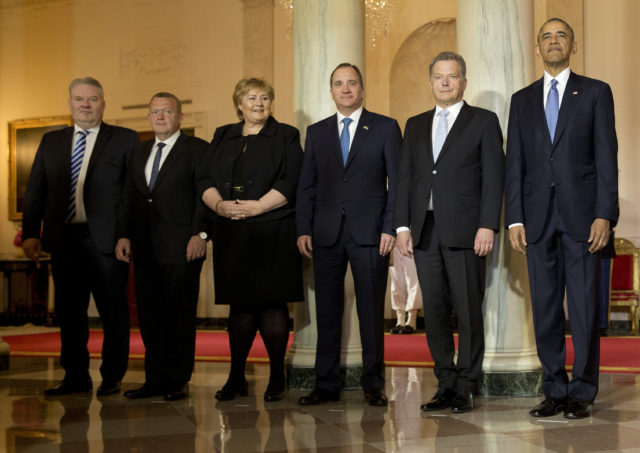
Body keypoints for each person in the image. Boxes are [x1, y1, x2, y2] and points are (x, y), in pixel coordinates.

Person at [505, 18, 618, 419]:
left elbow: (606, 158)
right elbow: (514, 163)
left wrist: (605, 214)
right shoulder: (521, 100)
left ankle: (582, 392)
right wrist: (514, 218)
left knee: (585, 309)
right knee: (546, 308)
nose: (554, 42)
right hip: (536, 220)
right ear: (538, 49)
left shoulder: (595, 93)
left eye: (561, 36)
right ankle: (554, 390)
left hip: (584, 219)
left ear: (573, 46)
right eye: (546, 37)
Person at [394, 52, 504, 413]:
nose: (445, 82)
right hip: (424, 232)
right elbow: (405, 180)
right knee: (436, 311)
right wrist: (402, 226)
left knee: (469, 310)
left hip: (467, 232)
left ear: (463, 82)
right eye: (439, 77)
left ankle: (467, 384)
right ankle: (445, 382)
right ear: (430, 82)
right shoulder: (414, 124)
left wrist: (487, 224)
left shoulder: (484, 121)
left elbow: (494, 178)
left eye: (452, 76)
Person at [22, 77, 139, 396]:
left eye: (92, 99)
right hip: (64, 239)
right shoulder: (51, 141)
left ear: (103, 103)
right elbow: (36, 189)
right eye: (78, 99)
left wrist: (125, 234)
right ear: (69, 103)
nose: (85, 105)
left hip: (107, 240)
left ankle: (112, 376)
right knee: (70, 314)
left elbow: (131, 193)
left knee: (113, 312)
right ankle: (75, 376)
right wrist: (32, 233)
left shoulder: (126, 139)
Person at [296, 63, 402, 407]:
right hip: (325, 233)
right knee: (327, 312)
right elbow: (306, 186)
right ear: (331, 91)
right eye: (339, 84)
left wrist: (391, 227)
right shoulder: (316, 132)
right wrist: (302, 228)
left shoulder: (386, 128)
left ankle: (373, 383)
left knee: (371, 313)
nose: (345, 89)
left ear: (361, 88)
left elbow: (397, 185)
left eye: (352, 83)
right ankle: (325, 383)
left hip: (371, 233)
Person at [197, 77, 303, 402]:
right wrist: (219, 205)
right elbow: (203, 176)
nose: (259, 104)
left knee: (272, 305)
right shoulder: (222, 135)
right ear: (239, 103)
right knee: (240, 308)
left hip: (273, 229)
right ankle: (236, 377)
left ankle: (275, 377)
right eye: (252, 98)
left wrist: (258, 206)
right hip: (232, 231)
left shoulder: (285, 134)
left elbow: (292, 178)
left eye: (265, 98)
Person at [115, 92, 209, 401]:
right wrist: (123, 234)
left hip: (183, 247)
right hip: (144, 248)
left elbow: (204, 197)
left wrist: (202, 235)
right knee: (150, 316)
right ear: (148, 117)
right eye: (155, 112)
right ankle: (154, 380)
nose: (160, 117)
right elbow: (129, 196)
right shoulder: (138, 152)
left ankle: (178, 380)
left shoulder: (197, 150)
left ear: (180, 117)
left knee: (179, 316)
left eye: (167, 112)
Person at [389, 250, 423, 334]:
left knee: (413, 279)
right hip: (393, 241)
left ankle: (411, 321)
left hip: (409, 240)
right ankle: (400, 321)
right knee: (396, 282)